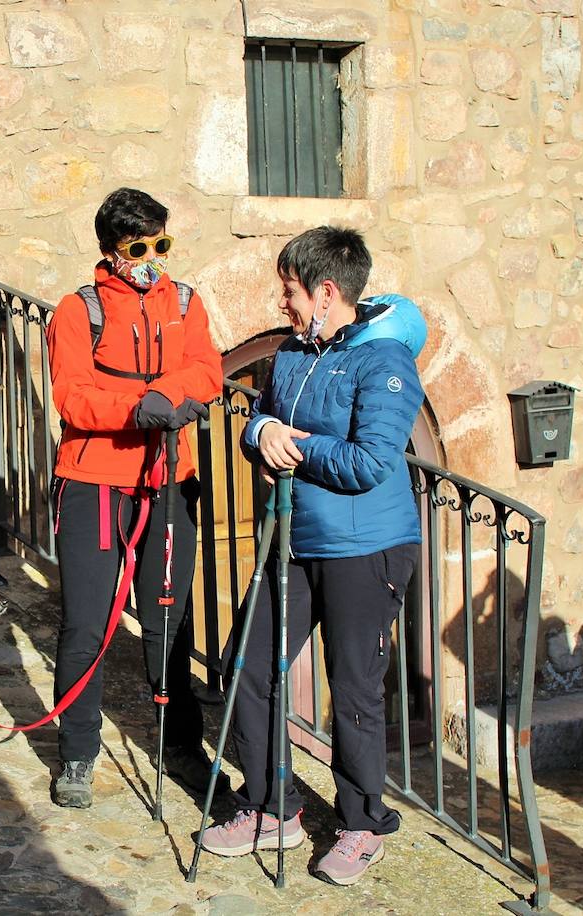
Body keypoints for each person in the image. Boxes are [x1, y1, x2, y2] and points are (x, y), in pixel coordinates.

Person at [198, 226, 427, 887]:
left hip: (368, 550)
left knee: (352, 688)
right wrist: (262, 430)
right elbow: (259, 417)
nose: (283, 302)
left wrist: (291, 445)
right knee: (246, 664)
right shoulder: (298, 352)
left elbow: (370, 462)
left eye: (291, 290)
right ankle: (273, 806)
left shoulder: (384, 362)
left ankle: (362, 824)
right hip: (294, 540)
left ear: (327, 292)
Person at [44, 188, 223, 809]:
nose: (152, 258)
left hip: (170, 477)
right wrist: (136, 409)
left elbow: (207, 368)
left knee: (167, 619)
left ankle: (181, 748)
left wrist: (171, 397)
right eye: (138, 248)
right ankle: (77, 752)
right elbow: (71, 395)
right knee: (86, 624)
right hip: (95, 480)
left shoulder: (186, 302)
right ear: (111, 251)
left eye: (161, 244)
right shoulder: (76, 311)